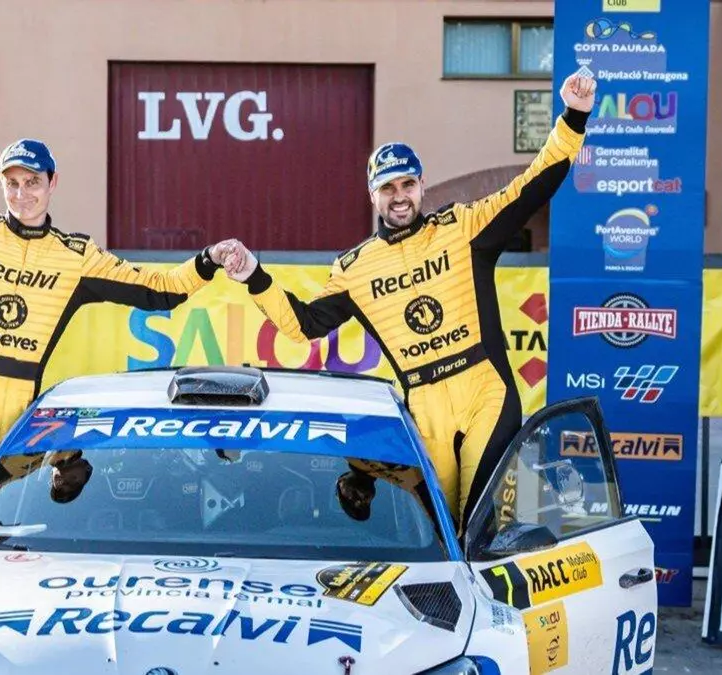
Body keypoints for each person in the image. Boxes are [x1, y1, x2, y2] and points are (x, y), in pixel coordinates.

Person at [220, 73, 597, 528]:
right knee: (440, 529)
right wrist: (253, 276)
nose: (399, 197)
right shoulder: (355, 267)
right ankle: (362, 480)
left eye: (407, 184)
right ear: (372, 196)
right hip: (425, 404)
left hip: (485, 391)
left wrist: (574, 116)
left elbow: (532, 187)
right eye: (388, 188)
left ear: (421, 185)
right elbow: (303, 326)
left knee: (478, 520)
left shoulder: (463, 227)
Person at [0, 116, 234, 509]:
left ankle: (57, 460)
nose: (22, 194)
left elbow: (161, 291)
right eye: (12, 183)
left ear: (52, 183)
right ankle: (51, 461)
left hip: (18, 402)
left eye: (32, 182)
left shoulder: (76, 257)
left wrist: (208, 260)